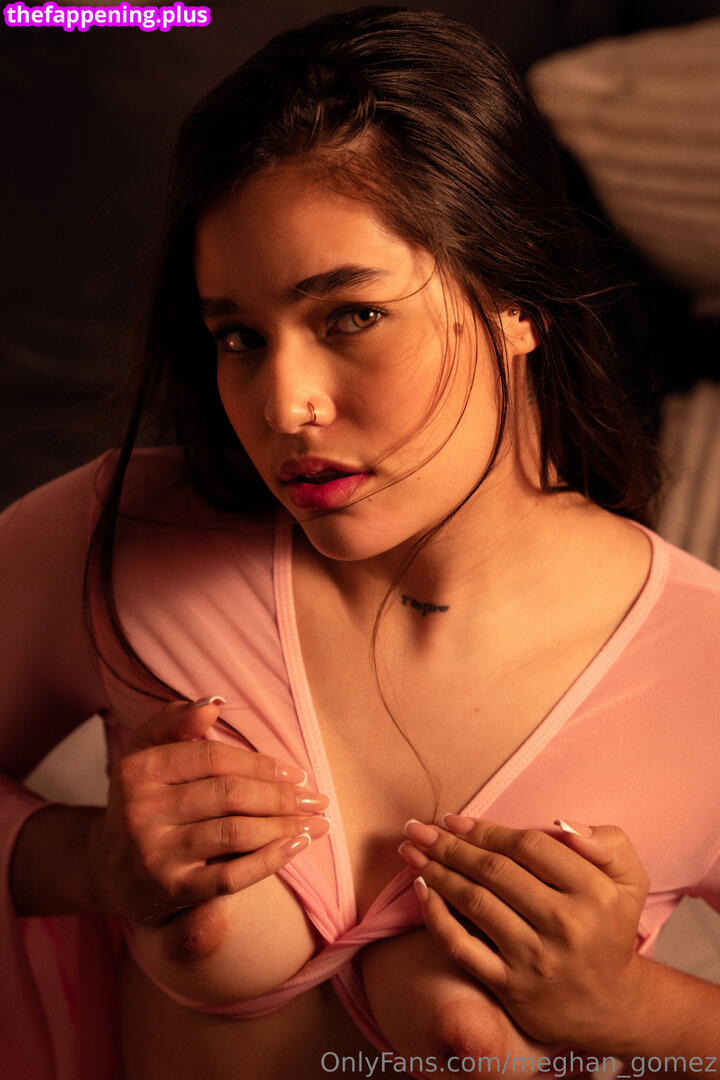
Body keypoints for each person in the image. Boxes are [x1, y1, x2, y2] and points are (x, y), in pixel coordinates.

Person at [1, 5, 719, 1079]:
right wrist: (82, 858)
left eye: (349, 316)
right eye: (239, 337)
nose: (283, 404)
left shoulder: (700, 666)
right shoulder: (120, 538)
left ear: (515, 299)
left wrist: (630, 1008)